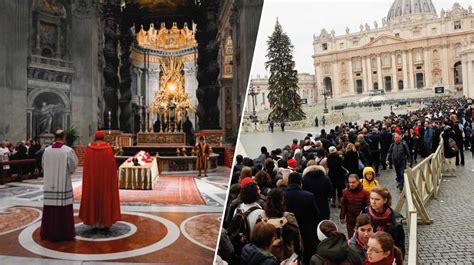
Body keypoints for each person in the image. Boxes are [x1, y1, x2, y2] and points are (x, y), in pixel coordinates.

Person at [79, 131, 121, 232]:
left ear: (95, 137)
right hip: (105, 181)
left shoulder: (89, 150)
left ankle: (93, 222)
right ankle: (105, 221)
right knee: (105, 197)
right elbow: (112, 169)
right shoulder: (108, 150)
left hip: (93, 181)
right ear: (103, 137)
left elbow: (86, 168)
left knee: (93, 197)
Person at [40, 129, 78, 241]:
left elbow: (43, 165)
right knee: (63, 209)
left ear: (54, 137)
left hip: (49, 184)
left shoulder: (46, 151)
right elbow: (72, 166)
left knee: (49, 209)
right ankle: (64, 233)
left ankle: (48, 233)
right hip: (63, 184)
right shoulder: (68, 151)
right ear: (64, 137)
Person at [284, 172, 321, 264]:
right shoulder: (309, 196)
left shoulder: (282, 195)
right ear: (300, 183)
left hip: (289, 229)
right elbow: (316, 215)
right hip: (307, 229)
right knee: (308, 253)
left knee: (292, 254)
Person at [361, 186, 405, 255]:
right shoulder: (365, 213)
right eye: (371, 198)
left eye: (377, 199)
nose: (373, 202)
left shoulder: (396, 220)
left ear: (385, 200)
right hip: (368, 253)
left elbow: (399, 246)